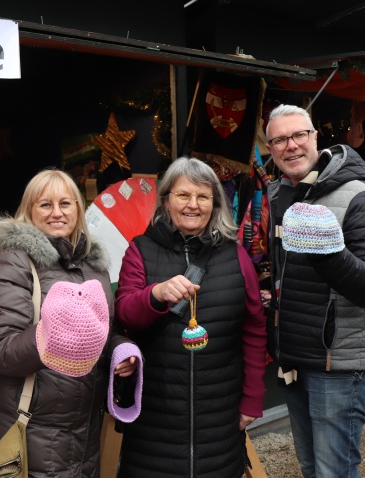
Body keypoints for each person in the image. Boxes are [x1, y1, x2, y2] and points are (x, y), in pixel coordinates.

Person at [0, 168, 142, 478]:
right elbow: (1, 351)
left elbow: (100, 334)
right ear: (29, 210)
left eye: (65, 203)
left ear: (78, 209)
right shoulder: (14, 262)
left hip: (85, 433)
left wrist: (120, 351)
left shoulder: (94, 267)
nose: (57, 213)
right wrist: (52, 334)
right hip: (30, 430)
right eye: (45, 204)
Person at [114, 156, 267, 477]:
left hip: (219, 414)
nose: (193, 205)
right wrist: (155, 295)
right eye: (183, 195)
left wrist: (252, 398)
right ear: (166, 200)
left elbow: (253, 330)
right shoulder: (140, 250)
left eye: (203, 196)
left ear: (215, 203)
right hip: (156, 416)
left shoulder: (236, 255)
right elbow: (126, 313)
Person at [264, 104, 365, 478]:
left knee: (333, 471)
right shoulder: (280, 195)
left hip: (337, 363)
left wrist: (330, 254)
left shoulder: (361, 197)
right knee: (311, 467)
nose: (291, 145)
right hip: (295, 356)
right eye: (279, 140)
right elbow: (288, 274)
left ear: (315, 137)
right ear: (270, 149)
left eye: (298, 135)